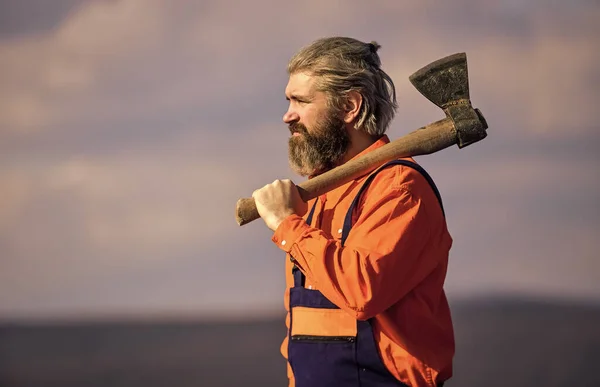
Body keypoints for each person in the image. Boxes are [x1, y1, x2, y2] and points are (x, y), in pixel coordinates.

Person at [252, 37, 454, 387]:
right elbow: (301, 326)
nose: (288, 116)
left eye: (300, 101)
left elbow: (361, 291)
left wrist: (288, 224)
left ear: (350, 106)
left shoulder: (400, 190)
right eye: (288, 100)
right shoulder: (315, 198)